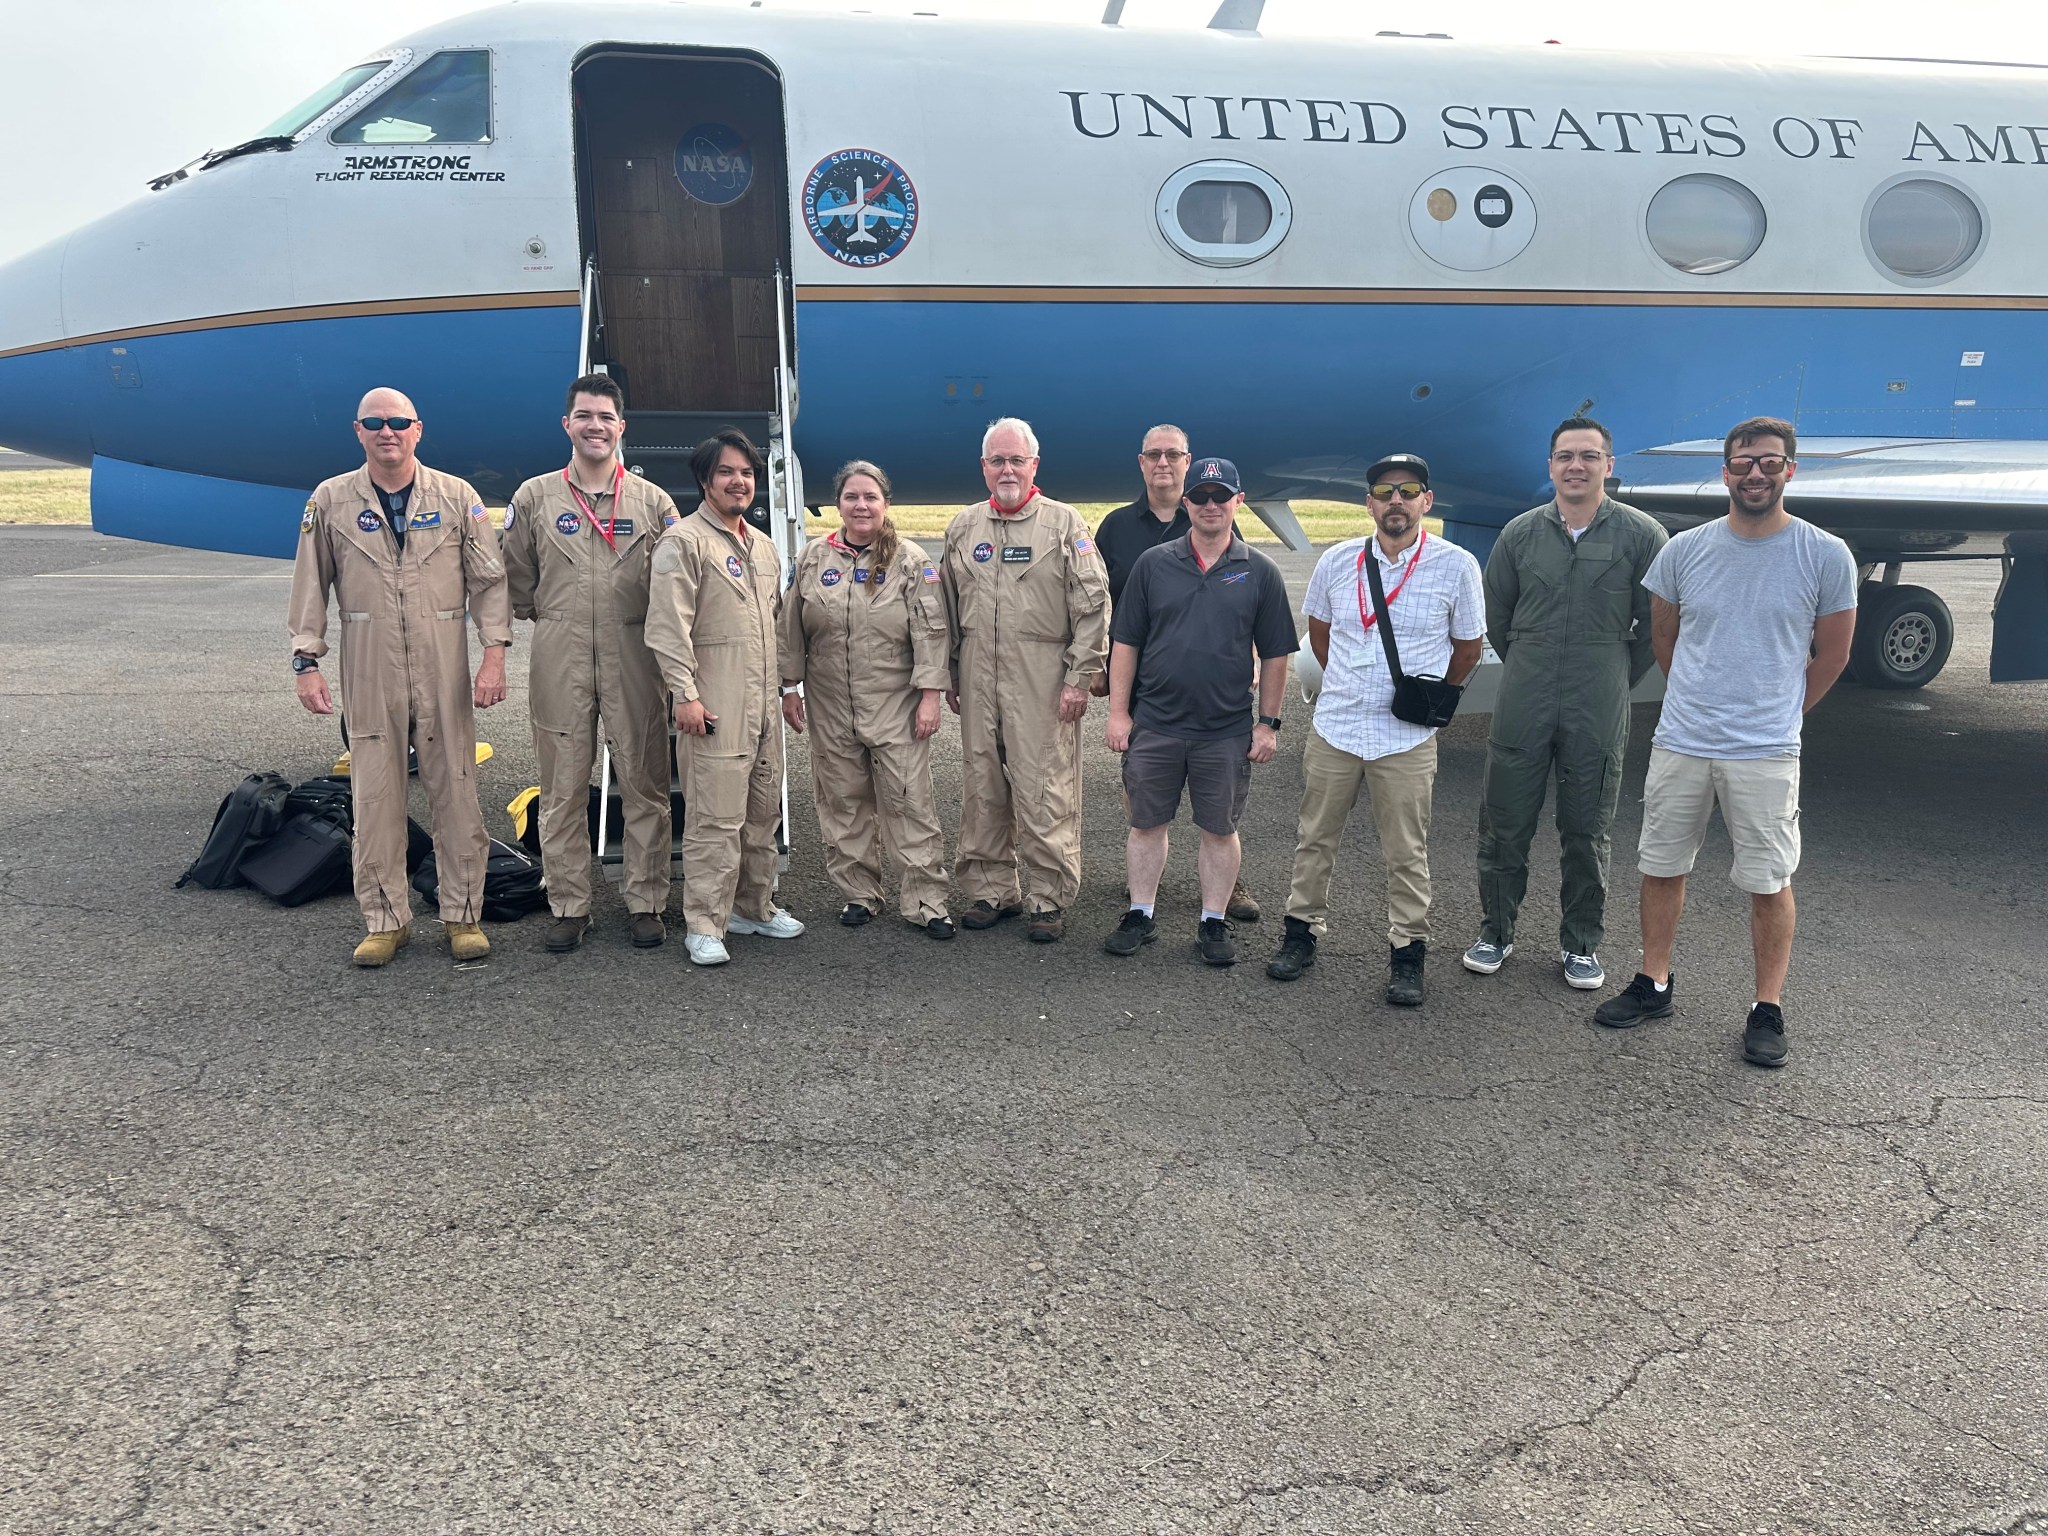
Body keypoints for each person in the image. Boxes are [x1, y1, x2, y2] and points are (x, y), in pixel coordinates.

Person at [1593, 417, 1856, 1068]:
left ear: (1790, 469)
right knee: (1661, 866)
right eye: (1743, 463)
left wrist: (1781, 714)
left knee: (1768, 881)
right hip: (1684, 739)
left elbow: (1834, 652)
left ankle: (1766, 1007)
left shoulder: (1825, 554)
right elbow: (1664, 639)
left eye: (1769, 462)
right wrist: (1698, 699)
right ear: (1726, 471)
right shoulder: (1684, 551)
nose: (1756, 473)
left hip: (1765, 749)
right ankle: (1655, 982)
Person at [287, 387, 511, 966]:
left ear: (418, 429)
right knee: (375, 795)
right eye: (375, 423)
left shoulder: (458, 497)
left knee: (457, 790)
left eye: (398, 422)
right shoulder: (330, 500)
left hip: (443, 660)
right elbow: (309, 585)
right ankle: (385, 920)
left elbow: (489, 583)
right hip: (368, 659)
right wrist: (306, 661)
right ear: (358, 431)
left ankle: (463, 916)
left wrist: (494, 654)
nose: (388, 432)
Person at [1265, 453, 1484, 1006]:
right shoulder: (1337, 561)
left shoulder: (1457, 566)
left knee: (1407, 850)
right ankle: (1300, 934)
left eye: (1409, 491)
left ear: (1426, 501)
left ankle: (1407, 951)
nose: (1396, 501)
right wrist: (1350, 681)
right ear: (1369, 503)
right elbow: (1320, 634)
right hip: (1337, 725)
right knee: (1315, 839)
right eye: (1385, 492)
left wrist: (1430, 697)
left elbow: (1468, 648)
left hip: (1404, 736)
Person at [1463, 417, 1669, 990]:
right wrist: (1533, 659)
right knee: (1504, 823)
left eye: (1588, 455)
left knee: (1587, 828)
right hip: (1524, 693)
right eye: (1564, 456)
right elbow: (1498, 618)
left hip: (1598, 697)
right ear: (1550, 466)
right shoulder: (1519, 534)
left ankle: (1581, 943)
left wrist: (1608, 673)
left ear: (1609, 464)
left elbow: (1657, 626)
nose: (1575, 466)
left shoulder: (1641, 535)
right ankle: (1495, 932)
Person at [503, 373, 682, 954]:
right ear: (567, 424)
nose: (595, 426)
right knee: (561, 788)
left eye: (606, 417)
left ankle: (646, 901)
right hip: (562, 648)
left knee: (644, 783)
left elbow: (675, 583)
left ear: (621, 427)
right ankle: (568, 904)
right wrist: (554, 618)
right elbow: (518, 579)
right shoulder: (534, 497)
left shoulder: (653, 502)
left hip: (635, 653)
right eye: (585, 416)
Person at [1102, 457, 1298, 966]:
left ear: (1239, 501)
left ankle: (1213, 920)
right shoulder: (1153, 564)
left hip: (1225, 729)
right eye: (1201, 496)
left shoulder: (1261, 571)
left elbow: (1277, 653)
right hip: (1156, 723)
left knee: (1219, 829)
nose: (1211, 505)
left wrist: (1268, 722)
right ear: (1186, 502)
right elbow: (1125, 642)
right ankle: (1140, 913)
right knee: (1146, 824)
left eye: (1221, 496)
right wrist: (1119, 714)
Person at [941, 417, 1110, 942]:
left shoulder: (1064, 524)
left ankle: (1047, 896)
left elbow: (1093, 605)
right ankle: (992, 889)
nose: (1007, 469)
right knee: (982, 784)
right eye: (998, 460)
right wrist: (949, 673)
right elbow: (943, 607)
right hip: (977, 674)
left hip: (1041, 673)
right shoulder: (963, 527)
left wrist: (1080, 678)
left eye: (1017, 460)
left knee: (1044, 786)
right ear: (984, 468)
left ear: (1035, 465)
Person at [645, 428, 802, 966]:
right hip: (715, 703)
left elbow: (776, 625)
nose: (740, 482)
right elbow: (668, 627)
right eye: (727, 472)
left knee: (762, 813)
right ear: (705, 481)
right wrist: (684, 696)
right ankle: (704, 923)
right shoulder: (684, 542)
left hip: (762, 705)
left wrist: (786, 688)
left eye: (748, 473)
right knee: (715, 818)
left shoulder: (761, 546)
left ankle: (753, 906)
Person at [780, 460, 955, 938]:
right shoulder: (815, 557)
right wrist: (789, 687)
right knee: (842, 802)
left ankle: (926, 900)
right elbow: (791, 626)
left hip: (894, 703)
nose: (861, 505)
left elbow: (931, 633)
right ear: (838, 504)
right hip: (830, 702)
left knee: (908, 802)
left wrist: (930, 697)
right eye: (852, 497)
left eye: (870, 497)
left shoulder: (911, 561)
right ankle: (858, 893)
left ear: (886, 504)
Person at [1095, 426, 1261, 924]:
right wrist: (1098, 668)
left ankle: (1227, 888)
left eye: (1172, 455)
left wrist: (1251, 656)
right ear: (1141, 463)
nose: (1162, 463)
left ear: (1188, 464)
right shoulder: (1115, 528)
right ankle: (1145, 882)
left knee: (1219, 805)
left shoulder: (1216, 521)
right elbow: (1095, 601)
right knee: (1143, 795)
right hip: (1143, 684)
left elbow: (1246, 598)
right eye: (1153, 455)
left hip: (1211, 689)